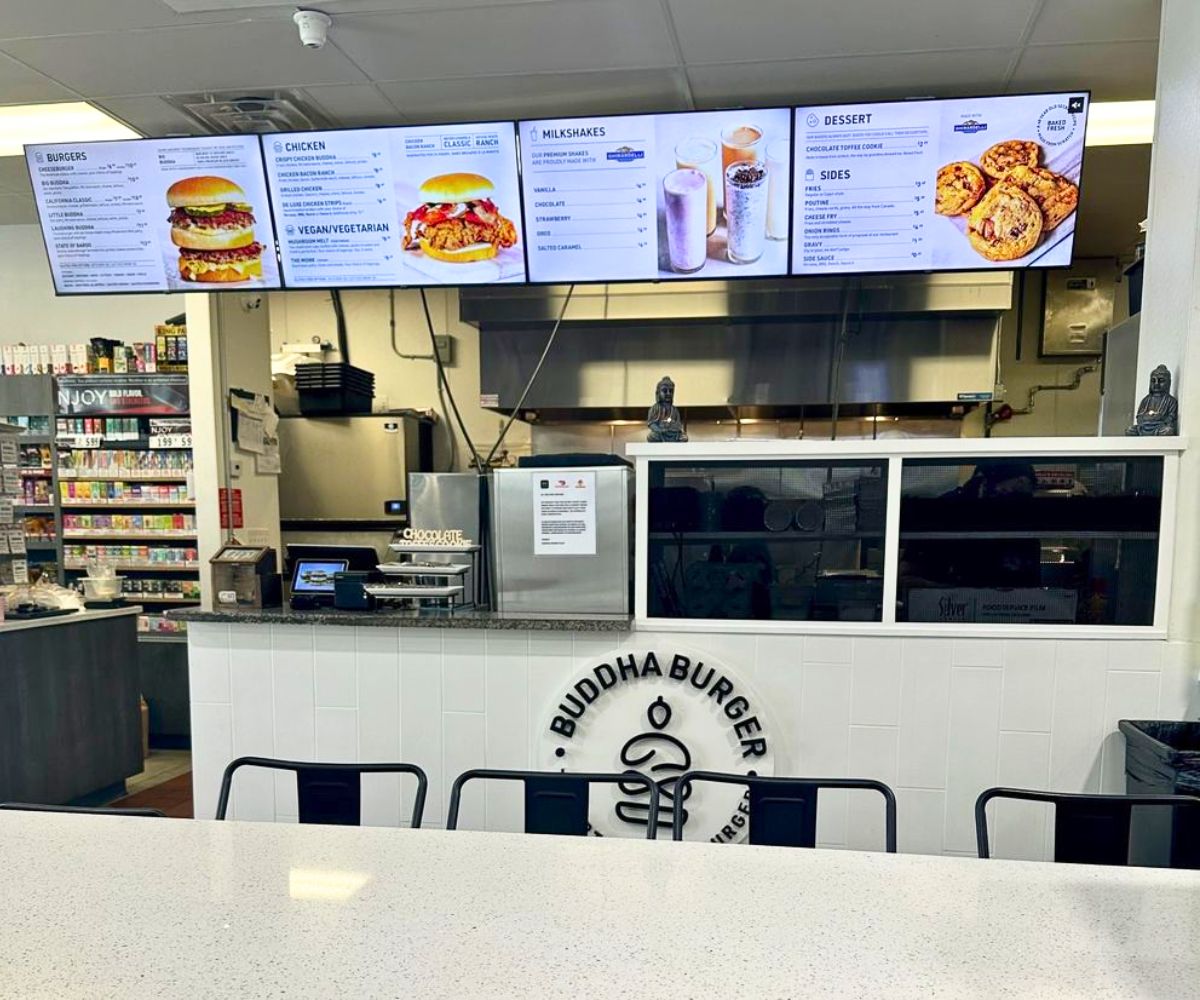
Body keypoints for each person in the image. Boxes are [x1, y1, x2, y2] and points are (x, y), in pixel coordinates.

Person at [1127, 364, 1179, 436]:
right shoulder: (1146, 400)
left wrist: (1160, 418)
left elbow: (1171, 417)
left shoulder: (1171, 401)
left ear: (1168, 382)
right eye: (1153, 381)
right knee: (1130, 430)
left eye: (1161, 381)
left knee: (1168, 431)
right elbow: (1139, 416)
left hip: (1159, 427)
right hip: (1144, 427)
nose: (1156, 384)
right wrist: (1147, 418)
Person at [646, 375, 688, 442]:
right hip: (660, 433)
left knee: (684, 438)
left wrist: (672, 426)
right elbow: (651, 423)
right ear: (658, 393)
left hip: (673, 433)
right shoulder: (655, 408)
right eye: (665, 391)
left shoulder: (675, 410)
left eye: (671, 391)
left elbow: (678, 425)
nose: (668, 393)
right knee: (652, 436)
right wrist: (659, 429)